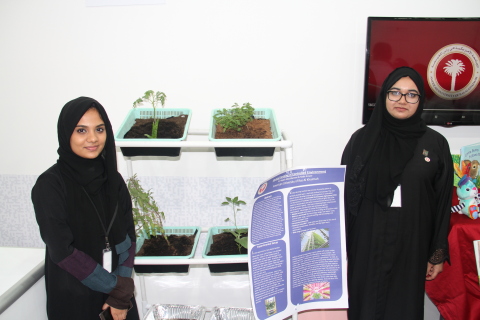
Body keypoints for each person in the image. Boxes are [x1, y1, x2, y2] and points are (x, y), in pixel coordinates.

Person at [341, 67, 453, 320]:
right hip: (367, 239)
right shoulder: (361, 140)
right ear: (384, 97)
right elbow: (345, 195)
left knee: (403, 306)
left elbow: (442, 200)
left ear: (421, 100)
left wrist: (436, 252)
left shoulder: (434, 143)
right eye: (395, 93)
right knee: (364, 305)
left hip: (412, 240)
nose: (402, 100)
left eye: (411, 94)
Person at [32, 97, 140, 320]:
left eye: (99, 129)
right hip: (74, 292)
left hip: (117, 295)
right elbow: (62, 250)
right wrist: (115, 287)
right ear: (66, 134)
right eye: (81, 130)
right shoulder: (50, 185)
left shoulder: (113, 179)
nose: (93, 138)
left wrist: (119, 294)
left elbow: (129, 235)